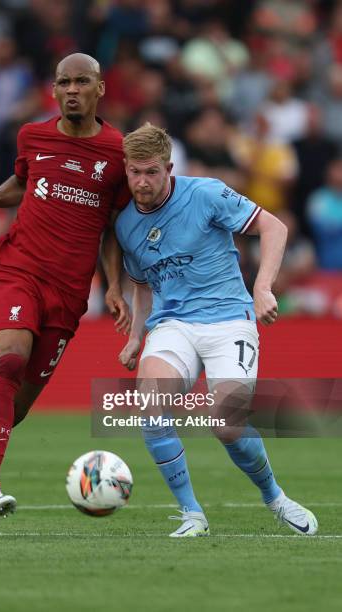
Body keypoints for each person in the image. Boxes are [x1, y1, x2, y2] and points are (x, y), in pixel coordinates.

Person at [116, 123, 318, 537]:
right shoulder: (126, 224)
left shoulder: (205, 193)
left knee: (226, 424)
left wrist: (262, 287)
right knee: (150, 404)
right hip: (173, 325)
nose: (142, 181)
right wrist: (137, 335)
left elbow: (274, 227)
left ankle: (275, 497)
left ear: (169, 168)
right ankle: (192, 514)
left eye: (151, 172)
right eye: (134, 172)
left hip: (228, 320)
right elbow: (142, 285)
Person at [0, 53, 131, 530]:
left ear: (100, 88)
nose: (72, 89)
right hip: (21, 268)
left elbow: (114, 227)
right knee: (13, 362)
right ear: (54, 91)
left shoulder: (117, 152)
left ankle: (2, 365)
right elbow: (26, 181)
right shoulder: (32, 136)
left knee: (14, 407)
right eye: (63, 82)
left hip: (70, 290)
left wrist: (114, 286)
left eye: (82, 81)